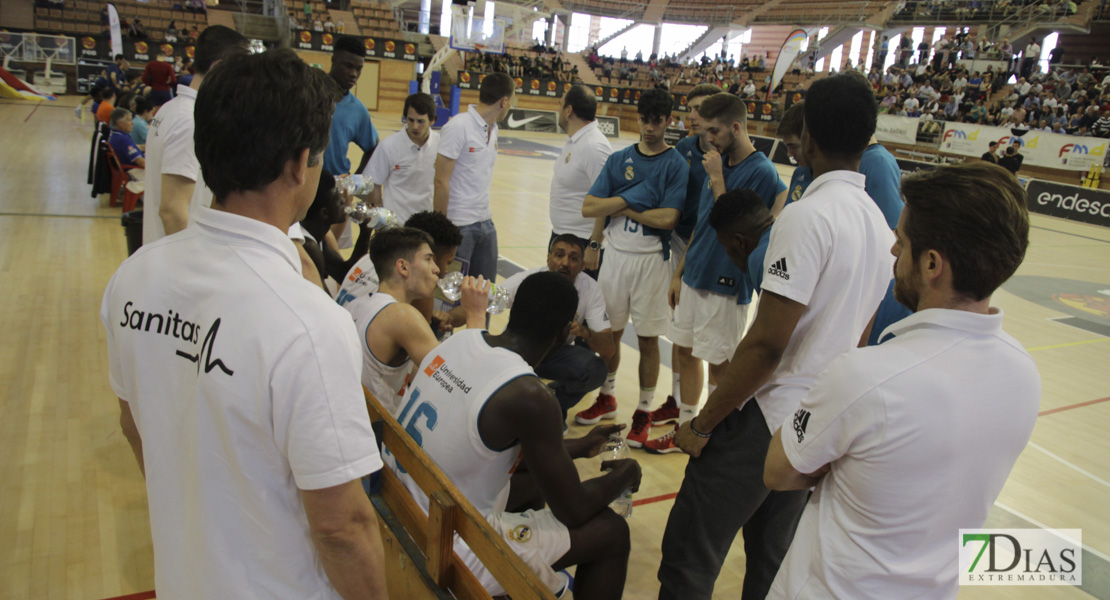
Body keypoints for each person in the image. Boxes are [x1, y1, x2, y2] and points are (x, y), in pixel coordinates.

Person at [100, 48, 387, 599]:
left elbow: (136, 427)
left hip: (183, 578)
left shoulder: (133, 278)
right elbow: (342, 528)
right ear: (300, 164)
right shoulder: (309, 323)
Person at [659, 73, 896, 600]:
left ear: (807, 137)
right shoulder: (881, 229)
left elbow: (768, 343)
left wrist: (704, 421)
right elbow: (857, 342)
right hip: (814, 425)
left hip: (765, 416)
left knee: (688, 559)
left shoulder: (806, 217)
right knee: (770, 568)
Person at [765, 162, 1038, 598]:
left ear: (932, 264)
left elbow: (779, 470)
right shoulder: (1024, 372)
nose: (894, 253)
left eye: (902, 242)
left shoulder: (867, 375)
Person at [388, 271, 642, 600]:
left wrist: (579, 446)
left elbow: (480, 443)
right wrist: (625, 475)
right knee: (613, 532)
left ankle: (533, 572)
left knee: (537, 480)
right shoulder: (529, 395)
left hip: (404, 498)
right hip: (446, 540)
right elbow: (573, 509)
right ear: (566, 331)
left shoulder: (462, 341)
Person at [650, 93, 785, 455]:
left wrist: (716, 178)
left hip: (726, 284)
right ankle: (684, 427)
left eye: (714, 130)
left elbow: (739, 226)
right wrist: (680, 270)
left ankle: (712, 436)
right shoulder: (720, 161)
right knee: (685, 353)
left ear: (736, 128)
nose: (707, 137)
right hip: (695, 274)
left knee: (720, 364)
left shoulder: (760, 171)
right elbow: (706, 222)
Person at [577, 89, 688, 448]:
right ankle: (607, 396)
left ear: (668, 121)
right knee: (609, 334)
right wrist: (600, 235)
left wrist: (621, 207)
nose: (649, 127)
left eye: (657, 120)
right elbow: (591, 206)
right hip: (616, 258)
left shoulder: (675, 165)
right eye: (644, 119)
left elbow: (668, 219)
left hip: (652, 261)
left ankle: (643, 409)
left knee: (648, 338)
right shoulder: (620, 158)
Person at [345, 227, 487, 414]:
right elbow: (458, 383)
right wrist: (476, 313)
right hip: (376, 434)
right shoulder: (402, 315)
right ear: (403, 267)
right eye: (428, 259)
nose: (437, 269)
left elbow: (397, 373)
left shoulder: (358, 304)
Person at [142, 25, 249, 245]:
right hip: (175, 263)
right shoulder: (188, 120)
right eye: (240, 73)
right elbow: (172, 210)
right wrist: (192, 267)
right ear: (219, 68)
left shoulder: (171, 109)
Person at [497, 235, 616, 421]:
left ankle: (553, 411)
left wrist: (584, 332)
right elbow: (485, 299)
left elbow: (609, 349)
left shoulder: (590, 290)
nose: (565, 263)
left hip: (554, 354)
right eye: (559, 255)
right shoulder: (527, 280)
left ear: (582, 265)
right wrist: (449, 316)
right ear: (548, 257)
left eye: (573, 258)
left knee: (596, 369)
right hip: (518, 350)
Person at [434, 71, 515, 284]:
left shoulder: (494, 129)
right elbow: (440, 180)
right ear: (504, 101)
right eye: (511, 101)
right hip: (458, 225)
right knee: (449, 297)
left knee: (485, 294)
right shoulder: (458, 126)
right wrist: (441, 231)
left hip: (485, 222)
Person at [550, 84, 613, 279]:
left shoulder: (594, 147)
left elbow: (607, 200)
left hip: (582, 243)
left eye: (560, 105)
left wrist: (595, 244)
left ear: (569, 110)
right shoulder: (575, 141)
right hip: (563, 236)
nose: (557, 110)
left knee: (580, 307)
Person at [363, 92, 439, 223]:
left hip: (428, 225)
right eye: (410, 120)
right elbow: (373, 184)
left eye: (420, 121)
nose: (415, 126)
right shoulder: (388, 146)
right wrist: (381, 221)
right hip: (396, 226)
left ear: (432, 120)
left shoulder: (442, 145)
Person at [323, 35, 379, 177]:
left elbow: (373, 147)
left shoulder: (358, 110)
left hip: (335, 190)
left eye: (358, 69)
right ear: (334, 60)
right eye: (348, 66)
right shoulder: (307, 95)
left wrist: (354, 180)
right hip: (301, 186)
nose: (353, 74)